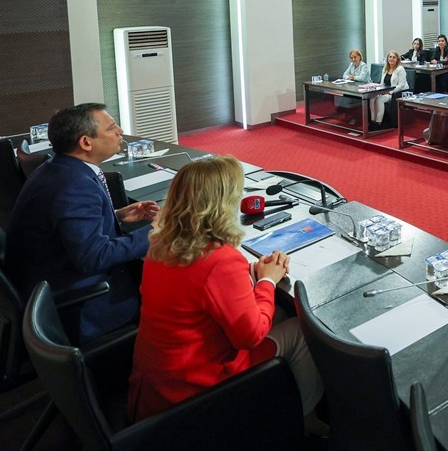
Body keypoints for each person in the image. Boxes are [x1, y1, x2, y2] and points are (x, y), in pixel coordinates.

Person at [127, 156, 323, 424]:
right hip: (194, 391)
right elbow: (250, 336)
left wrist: (250, 274)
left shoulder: (161, 242)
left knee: (277, 313)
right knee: (301, 330)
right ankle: (298, 422)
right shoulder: (219, 259)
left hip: (157, 385)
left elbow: (200, 290)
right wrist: (267, 281)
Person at [5, 103, 158, 342]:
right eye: (111, 128)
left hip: (45, 276)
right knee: (169, 287)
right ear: (86, 142)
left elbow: (64, 223)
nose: (120, 131)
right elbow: (93, 256)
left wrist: (116, 215)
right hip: (79, 302)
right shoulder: (75, 185)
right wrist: (156, 231)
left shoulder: (58, 168)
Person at [373, 50, 409, 128]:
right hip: (386, 91)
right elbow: (382, 83)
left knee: (379, 100)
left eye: (394, 57)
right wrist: (379, 91)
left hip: (397, 92)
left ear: (397, 59)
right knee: (372, 98)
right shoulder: (385, 68)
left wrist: (390, 92)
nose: (391, 59)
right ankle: (373, 120)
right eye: (390, 57)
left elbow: (401, 85)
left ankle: (379, 122)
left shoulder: (400, 69)